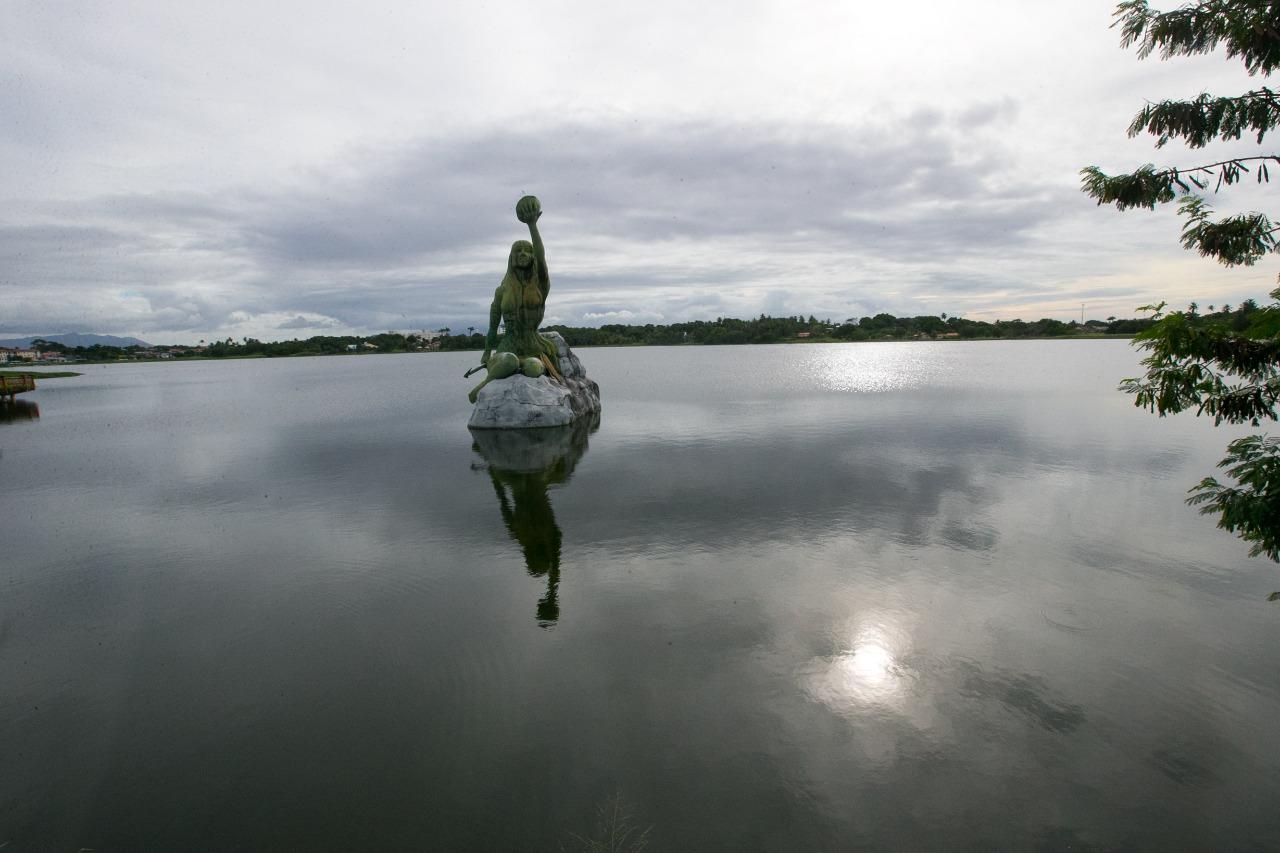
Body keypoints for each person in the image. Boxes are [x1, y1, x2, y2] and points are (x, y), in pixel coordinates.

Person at [467, 195, 563, 404]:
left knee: (532, 367)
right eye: (517, 251)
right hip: (508, 344)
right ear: (511, 257)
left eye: (527, 251)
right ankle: (481, 388)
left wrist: (532, 225)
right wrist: (486, 352)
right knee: (508, 361)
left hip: (534, 344)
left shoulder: (540, 285)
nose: (523, 254)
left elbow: (541, 256)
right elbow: (493, 327)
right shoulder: (502, 290)